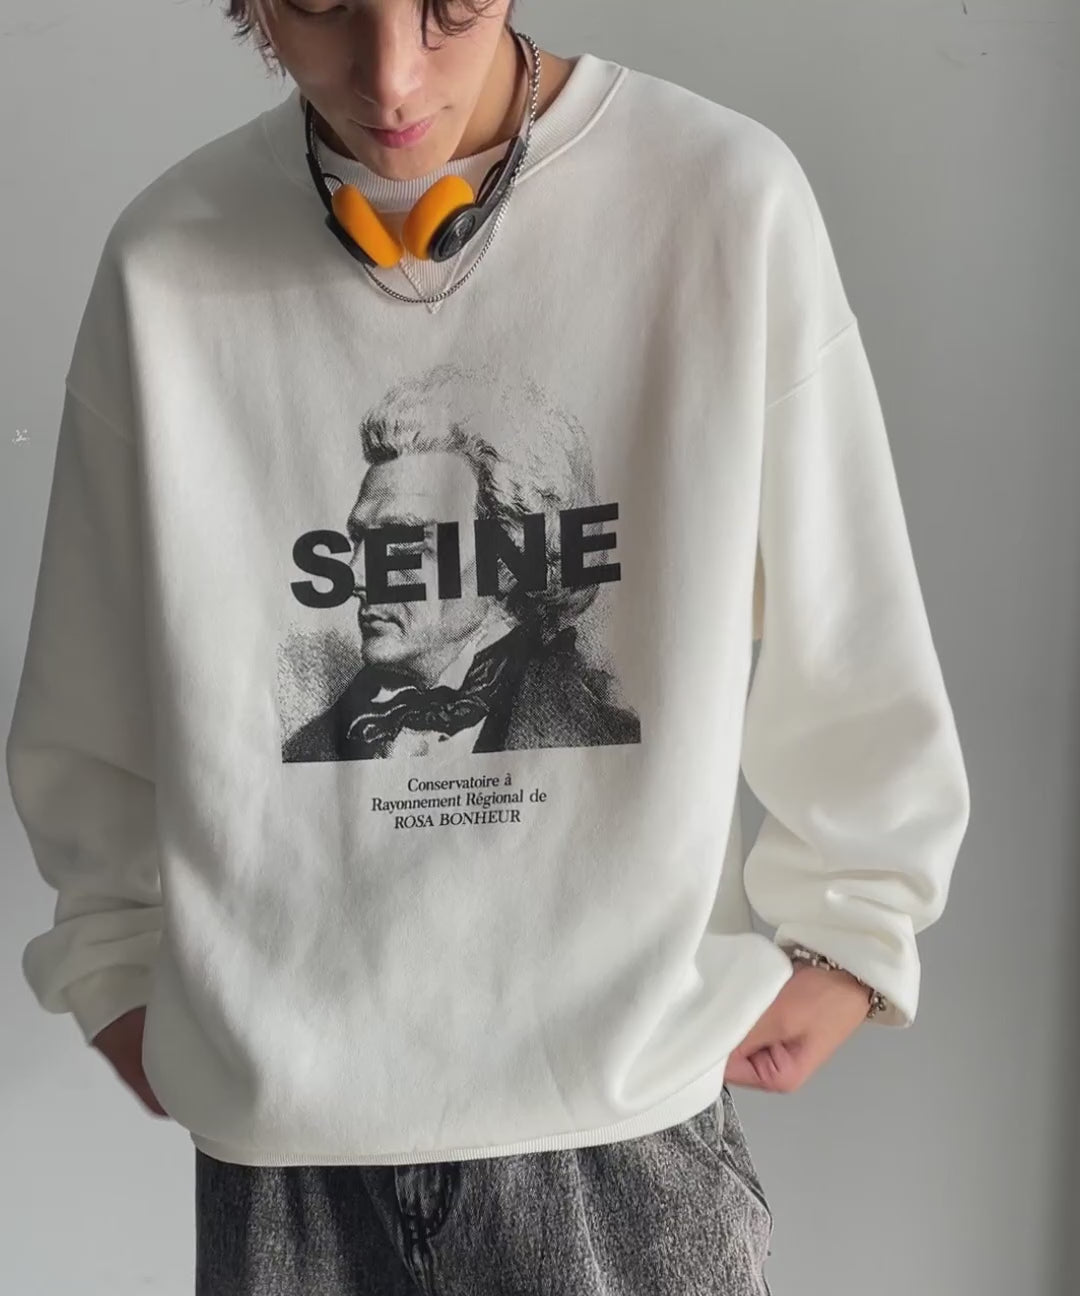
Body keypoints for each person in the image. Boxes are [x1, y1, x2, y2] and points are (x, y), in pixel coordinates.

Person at [5, 1, 971, 1293]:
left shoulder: (722, 202)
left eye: (448, 6)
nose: (392, 77)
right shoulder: (165, 263)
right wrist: (115, 962)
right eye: (321, 6)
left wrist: (856, 925)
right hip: (286, 1170)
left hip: (622, 1146)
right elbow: (89, 684)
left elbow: (845, 609)